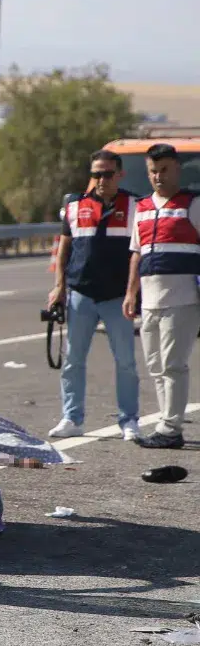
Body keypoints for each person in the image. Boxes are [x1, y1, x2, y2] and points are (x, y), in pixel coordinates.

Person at [47, 150, 140, 440]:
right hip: (81, 294)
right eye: (96, 174)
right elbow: (64, 249)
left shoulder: (135, 205)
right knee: (73, 360)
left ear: (120, 175)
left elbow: (139, 253)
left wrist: (133, 292)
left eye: (108, 174)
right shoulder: (75, 205)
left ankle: (129, 420)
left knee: (125, 362)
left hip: (117, 296)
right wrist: (59, 286)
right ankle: (71, 418)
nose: (102, 180)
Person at [123, 143, 200, 449]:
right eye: (153, 171)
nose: (158, 176)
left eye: (164, 170)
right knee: (155, 365)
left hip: (183, 298)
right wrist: (131, 293)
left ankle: (171, 428)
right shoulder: (142, 207)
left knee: (173, 364)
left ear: (177, 169)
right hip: (150, 301)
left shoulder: (193, 204)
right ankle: (166, 424)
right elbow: (136, 253)